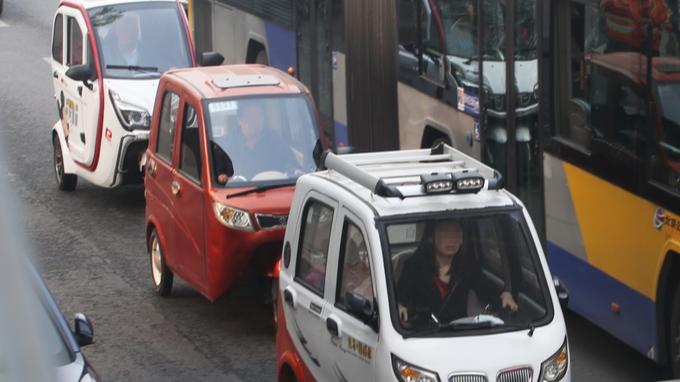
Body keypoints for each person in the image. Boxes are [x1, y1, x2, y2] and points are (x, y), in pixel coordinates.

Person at [396, 220, 518, 327]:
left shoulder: (468, 266)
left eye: (456, 233)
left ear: (461, 239)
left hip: (459, 332)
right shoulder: (414, 266)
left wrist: (504, 295)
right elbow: (401, 298)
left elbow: (487, 290)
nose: (451, 239)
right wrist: (400, 306)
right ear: (431, 237)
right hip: (423, 333)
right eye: (445, 233)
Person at [220, 101, 299, 181]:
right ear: (240, 120)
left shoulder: (274, 138)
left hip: (273, 189)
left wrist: (294, 170)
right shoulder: (226, 144)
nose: (256, 121)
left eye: (259, 115)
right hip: (238, 191)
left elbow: (290, 163)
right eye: (251, 116)